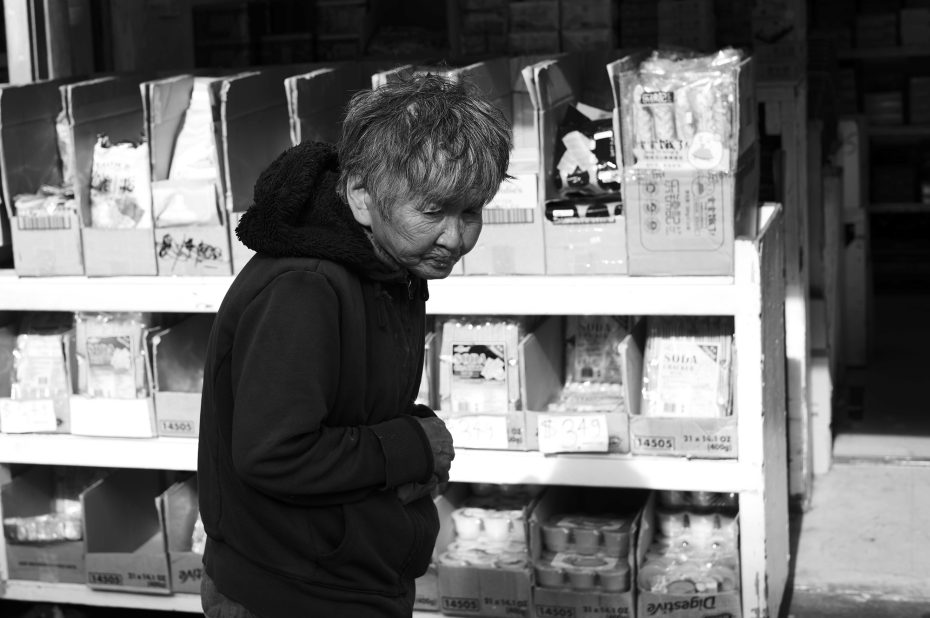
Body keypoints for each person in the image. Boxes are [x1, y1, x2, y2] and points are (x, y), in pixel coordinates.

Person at [197, 72, 513, 617]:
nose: (455, 238)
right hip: (291, 596)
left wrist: (414, 441)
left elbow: (350, 405)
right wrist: (413, 446)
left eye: (471, 212)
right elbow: (275, 453)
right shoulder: (305, 287)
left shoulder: (388, 267)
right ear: (363, 195)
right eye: (433, 211)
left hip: (345, 580)